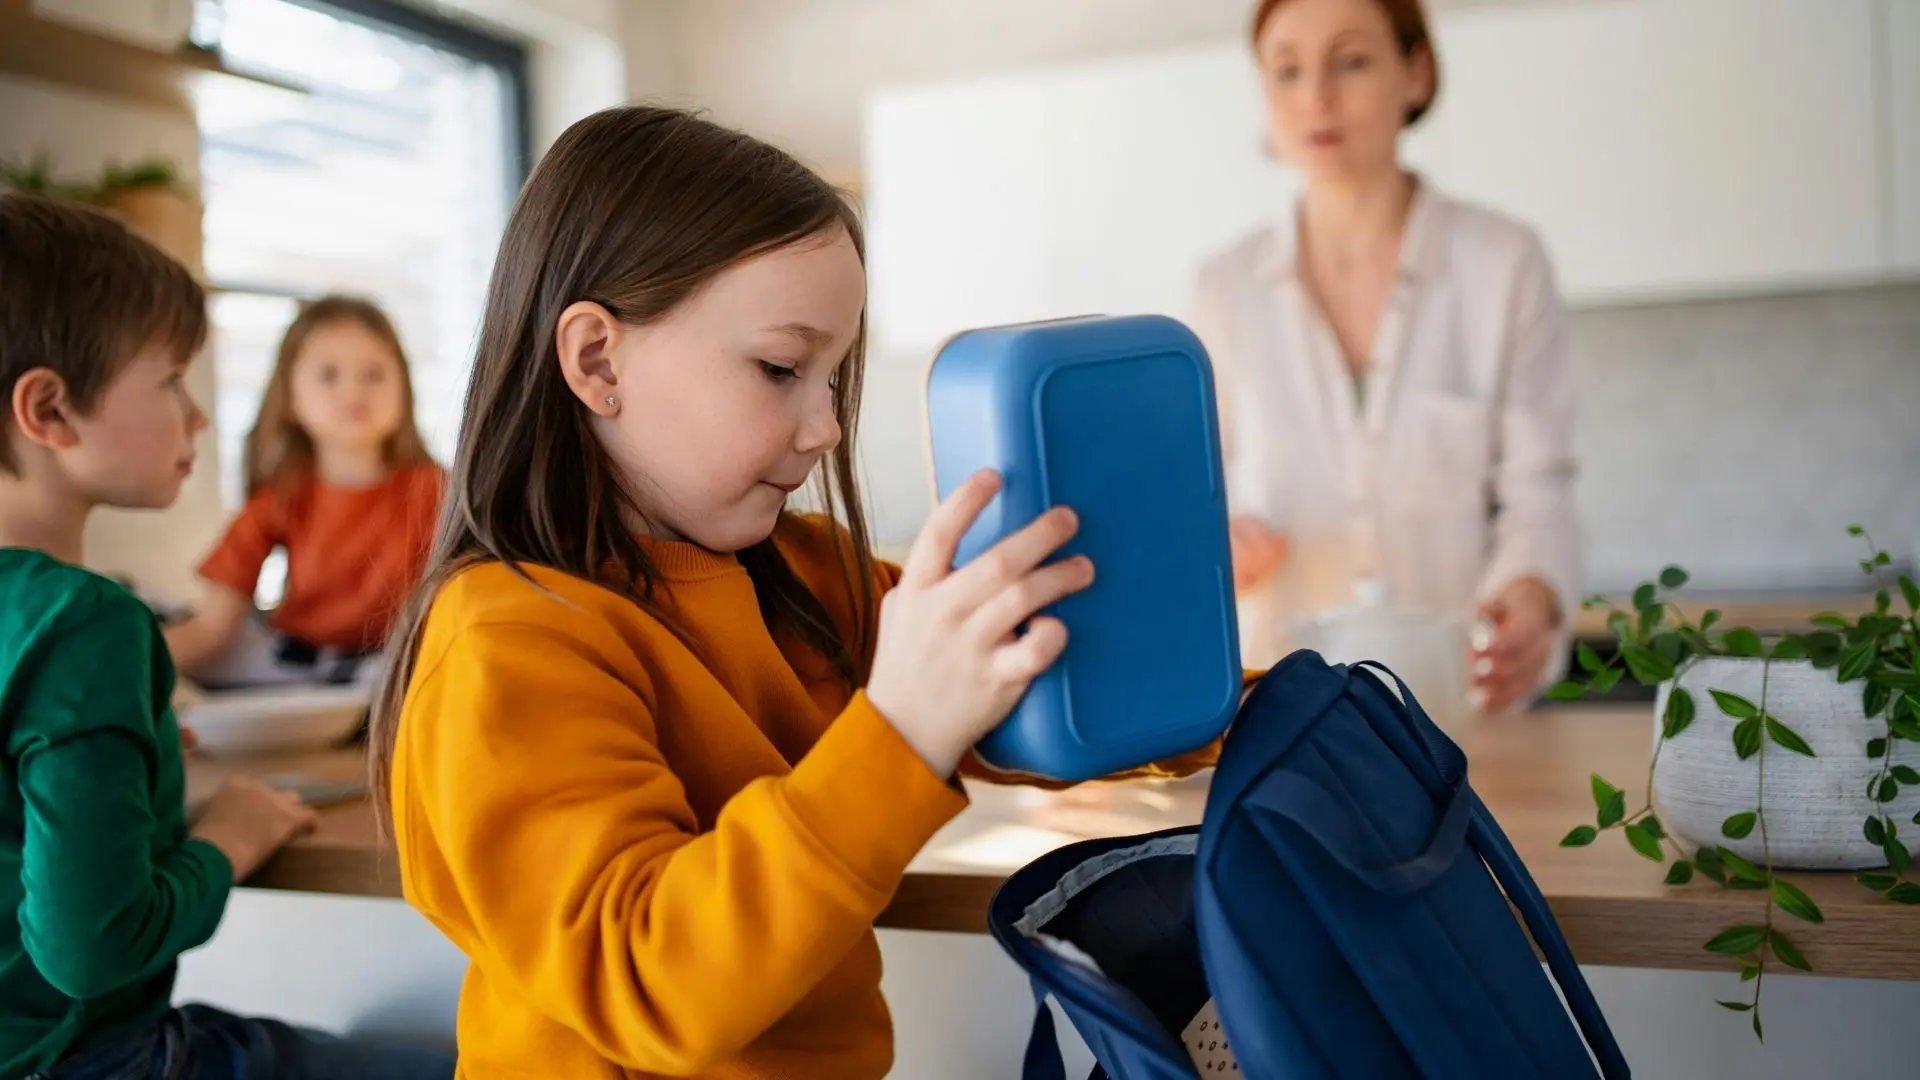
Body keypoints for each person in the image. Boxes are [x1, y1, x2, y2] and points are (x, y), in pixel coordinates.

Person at [370, 105, 1220, 1080]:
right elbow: (649, 976)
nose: (824, 426)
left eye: (833, 377)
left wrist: (1266, 702)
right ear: (598, 360)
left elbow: (1036, 672)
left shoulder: (807, 575)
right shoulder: (506, 642)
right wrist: (900, 731)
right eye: (781, 368)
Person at [0, 193, 454, 1079]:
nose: (198, 415)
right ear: (51, 412)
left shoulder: (427, 489)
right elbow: (92, 948)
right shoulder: (86, 620)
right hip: (90, 1057)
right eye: (170, 379)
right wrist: (234, 835)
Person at [1194, 0, 1581, 711]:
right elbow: (1186, 509)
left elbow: (1538, 488)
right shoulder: (1222, 289)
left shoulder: (1504, 263)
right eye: (1286, 71)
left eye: (1352, 60)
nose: (1316, 96)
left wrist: (1532, 590)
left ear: (1417, 73)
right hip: (1273, 721)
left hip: (1459, 716)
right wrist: (1213, 550)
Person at [163, 297, 443, 689]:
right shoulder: (281, 497)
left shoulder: (437, 491)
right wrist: (109, 657)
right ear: (290, 399)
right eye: (329, 374)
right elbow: (213, 629)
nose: (353, 390)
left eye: (375, 374)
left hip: (401, 659)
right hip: (297, 654)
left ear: (405, 392)